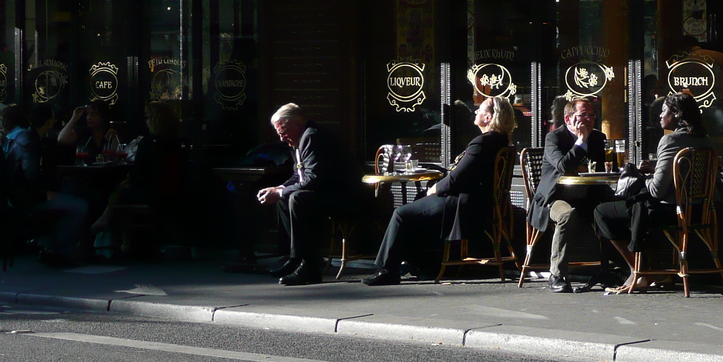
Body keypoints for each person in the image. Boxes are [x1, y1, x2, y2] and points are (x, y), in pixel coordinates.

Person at [363, 96, 515, 286]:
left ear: (488, 118)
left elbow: (455, 180)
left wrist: (434, 189)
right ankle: (423, 264)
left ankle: (388, 270)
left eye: (480, 109)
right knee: (416, 206)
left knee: (401, 214)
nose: (475, 111)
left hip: (464, 205)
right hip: (481, 203)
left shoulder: (482, 143)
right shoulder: (499, 141)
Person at [593, 91, 712, 293]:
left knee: (602, 212)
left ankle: (638, 271)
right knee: (637, 210)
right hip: (701, 209)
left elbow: (657, 191)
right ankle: (654, 270)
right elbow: (683, 170)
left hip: (672, 212)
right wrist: (657, 169)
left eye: (663, 111)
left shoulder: (670, 141)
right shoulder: (704, 139)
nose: (659, 115)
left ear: (676, 114)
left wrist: (644, 178)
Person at [256, 103, 359, 286]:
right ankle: (296, 258)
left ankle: (310, 267)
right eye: (279, 133)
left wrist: (280, 192)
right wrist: (279, 188)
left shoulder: (312, 136)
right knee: (284, 198)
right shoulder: (299, 139)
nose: (281, 138)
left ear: (297, 124)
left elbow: (314, 179)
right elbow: (299, 175)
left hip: (345, 196)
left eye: (283, 132)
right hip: (325, 192)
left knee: (297, 198)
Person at [530, 96, 606, 293]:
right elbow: (564, 166)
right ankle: (558, 274)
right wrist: (581, 142)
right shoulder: (554, 138)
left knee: (613, 210)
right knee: (567, 215)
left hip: (587, 195)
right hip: (556, 197)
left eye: (592, 115)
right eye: (583, 115)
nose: (588, 119)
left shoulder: (598, 138)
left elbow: (597, 170)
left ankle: (611, 269)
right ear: (568, 119)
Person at [93, 102, 185, 254]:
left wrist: (130, 179)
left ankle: (118, 235)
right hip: (172, 191)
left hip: (151, 192)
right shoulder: (175, 142)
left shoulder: (148, 142)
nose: (146, 121)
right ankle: (109, 225)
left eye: (148, 117)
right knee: (122, 188)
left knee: (120, 190)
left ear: (155, 120)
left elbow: (139, 173)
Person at [5, 102, 88, 266]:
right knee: (80, 206)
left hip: (20, 197)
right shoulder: (29, 141)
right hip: (26, 201)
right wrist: (44, 194)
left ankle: (49, 246)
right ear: (49, 121)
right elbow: (32, 174)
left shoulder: (29, 138)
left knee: (69, 195)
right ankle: (61, 251)